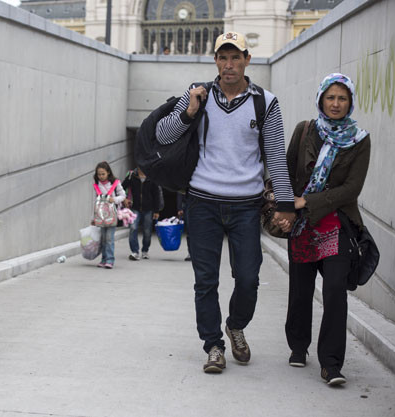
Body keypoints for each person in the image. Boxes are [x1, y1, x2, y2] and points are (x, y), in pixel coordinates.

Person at [155, 31, 295, 373]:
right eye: (222, 57)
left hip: (247, 205)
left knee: (248, 278)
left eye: (235, 57)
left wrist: (286, 204)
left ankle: (236, 325)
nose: (229, 64)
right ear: (215, 61)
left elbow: (276, 157)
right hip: (202, 202)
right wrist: (188, 111)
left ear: (247, 59)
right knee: (206, 280)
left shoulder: (265, 102)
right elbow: (163, 134)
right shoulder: (198, 95)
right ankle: (213, 345)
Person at [281, 73, 370, 386]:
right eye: (330, 97)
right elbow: (286, 171)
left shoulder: (359, 139)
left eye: (342, 98)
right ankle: (298, 345)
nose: (335, 104)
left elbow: (352, 188)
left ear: (350, 103)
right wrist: (287, 208)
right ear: (321, 99)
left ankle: (331, 363)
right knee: (301, 289)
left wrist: (309, 201)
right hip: (303, 226)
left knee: (334, 291)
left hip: (338, 224)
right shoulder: (305, 131)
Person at [122, 168, 162, 260]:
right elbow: (121, 188)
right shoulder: (132, 176)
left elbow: (156, 195)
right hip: (134, 208)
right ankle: (135, 252)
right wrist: (124, 199)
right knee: (133, 228)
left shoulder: (151, 177)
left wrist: (156, 211)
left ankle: (145, 250)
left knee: (147, 231)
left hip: (148, 209)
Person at [91, 161, 126, 269]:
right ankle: (104, 259)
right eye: (99, 174)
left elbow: (123, 195)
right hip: (101, 216)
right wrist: (93, 218)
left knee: (109, 238)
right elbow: (95, 202)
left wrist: (114, 199)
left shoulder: (115, 183)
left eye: (103, 174)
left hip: (112, 215)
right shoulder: (97, 185)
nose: (101, 176)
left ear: (108, 173)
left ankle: (110, 260)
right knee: (103, 238)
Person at [176, 192, 191, 261]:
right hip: (187, 204)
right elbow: (180, 191)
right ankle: (191, 252)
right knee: (190, 230)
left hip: (200, 203)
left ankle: (198, 253)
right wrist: (179, 208)